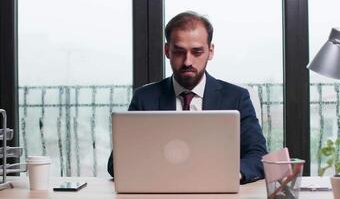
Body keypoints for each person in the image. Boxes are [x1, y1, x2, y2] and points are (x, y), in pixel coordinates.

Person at [107, 11, 267, 184]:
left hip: (218, 191)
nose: (187, 62)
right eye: (179, 52)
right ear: (167, 51)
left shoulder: (237, 97)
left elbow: (258, 155)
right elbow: (116, 163)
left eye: (197, 52)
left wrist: (230, 175)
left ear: (210, 51)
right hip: (160, 190)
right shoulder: (145, 98)